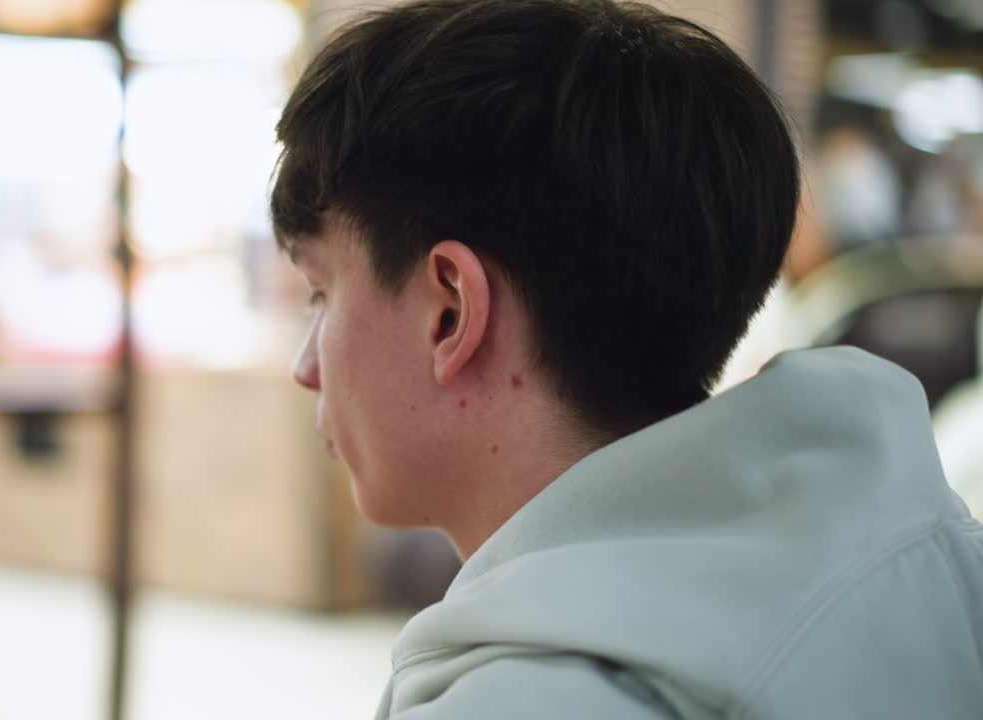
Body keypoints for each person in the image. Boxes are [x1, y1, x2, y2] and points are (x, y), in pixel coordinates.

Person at [270, 0, 983, 718]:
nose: (306, 368)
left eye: (321, 292)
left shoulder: (524, 703)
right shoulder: (934, 566)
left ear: (450, 312)